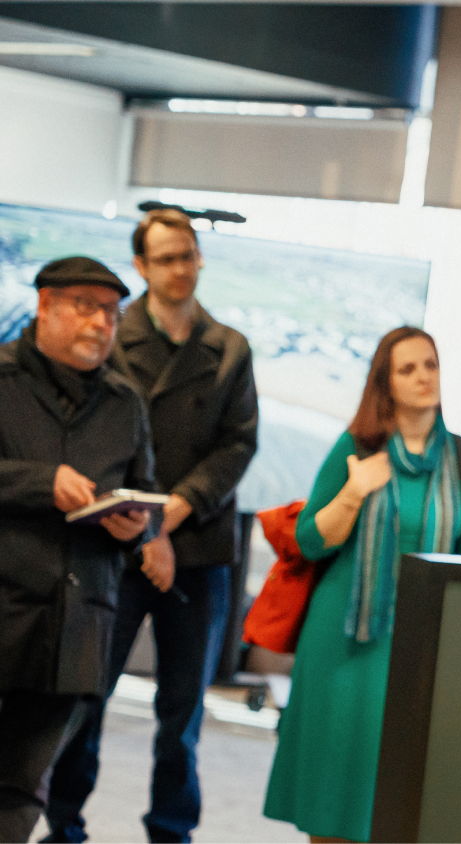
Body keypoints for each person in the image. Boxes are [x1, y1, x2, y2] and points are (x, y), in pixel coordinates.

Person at [45, 209, 259, 844]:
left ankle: (172, 831)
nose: (180, 268)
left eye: (188, 255)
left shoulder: (228, 348)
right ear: (141, 266)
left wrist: (175, 510)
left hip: (202, 544)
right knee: (88, 698)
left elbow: (238, 444)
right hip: (116, 544)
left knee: (183, 713)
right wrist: (147, 529)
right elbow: (103, 438)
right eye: (166, 258)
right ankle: (64, 826)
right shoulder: (112, 336)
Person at [263, 327, 461, 844]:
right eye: (408, 369)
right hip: (344, 642)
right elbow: (310, 539)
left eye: (430, 364)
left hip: (420, 645)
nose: (423, 377)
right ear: (385, 383)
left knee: (400, 796)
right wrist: (354, 493)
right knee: (334, 790)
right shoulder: (357, 446)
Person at [0, 258, 156, 844]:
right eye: (86, 307)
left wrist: (134, 526)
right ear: (45, 306)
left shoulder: (125, 403)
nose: (101, 324)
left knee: (23, 786)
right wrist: (44, 484)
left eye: (112, 313)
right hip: (6, 608)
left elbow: (144, 487)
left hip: (77, 625)